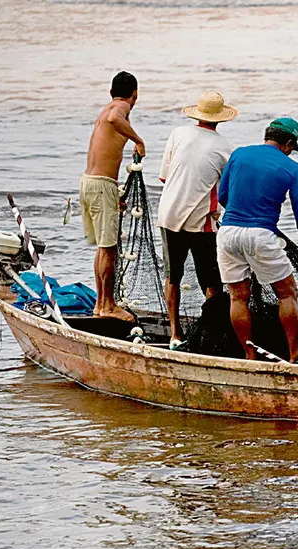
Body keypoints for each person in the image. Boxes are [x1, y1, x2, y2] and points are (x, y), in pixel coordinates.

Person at [216, 117, 298, 362]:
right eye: (291, 147)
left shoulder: (239, 154)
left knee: (238, 296)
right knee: (287, 293)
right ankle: (294, 354)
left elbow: (223, 195)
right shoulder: (292, 168)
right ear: (288, 143)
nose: (290, 152)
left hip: (228, 231)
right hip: (261, 235)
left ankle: (249, 354)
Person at [157, 91, 236, 344]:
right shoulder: (226, 148)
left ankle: (175, 333)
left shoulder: (178, 134)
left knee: (173, 276)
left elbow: (165, 177)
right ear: (220, 119)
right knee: (212, 280)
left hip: (168, 215)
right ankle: (212, 333)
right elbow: (225, 192)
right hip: (202, 222)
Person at [81, 71, 144, 322]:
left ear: (110, 91)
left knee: (104, 248)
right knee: (108, 249)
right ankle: (108, 305)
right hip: (100, 185)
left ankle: (101, 304)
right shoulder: (119, 107)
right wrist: (138, 141)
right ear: (135, 94)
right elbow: (114, 118)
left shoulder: (106, 107)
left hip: (89, 183)